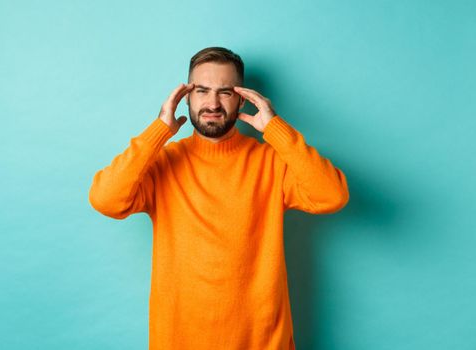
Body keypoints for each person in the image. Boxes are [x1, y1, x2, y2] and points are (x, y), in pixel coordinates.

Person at [88, 46, 349, 350]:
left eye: (225, 92)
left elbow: (332, 195)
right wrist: (159, 129)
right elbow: (105, 200)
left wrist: (276, 129)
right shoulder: (163, 163)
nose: (212, 103)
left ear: (242, 99)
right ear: (186, 97)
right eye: (201, 90)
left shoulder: (272, 162)